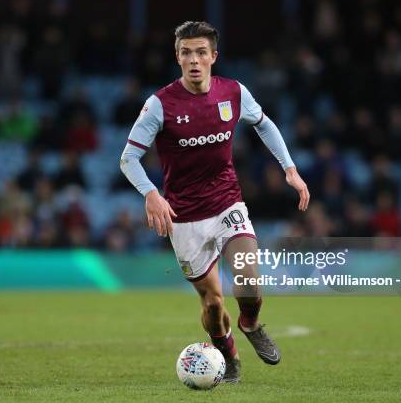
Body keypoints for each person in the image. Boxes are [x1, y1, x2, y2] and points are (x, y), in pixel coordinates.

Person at [120, 21, 310, 383]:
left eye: (201, 52)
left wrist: (289, 169)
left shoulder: (234, 92)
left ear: (213, 56)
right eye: (187, 53)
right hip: (185, 218)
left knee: (249, 282)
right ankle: (227, 352)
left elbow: (264, 124)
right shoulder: (160, 105)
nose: (194, 60)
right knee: (212, 304)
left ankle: (251, 324)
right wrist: (151, 193)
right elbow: (128, 159)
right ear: (177, 57)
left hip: (227, 204)